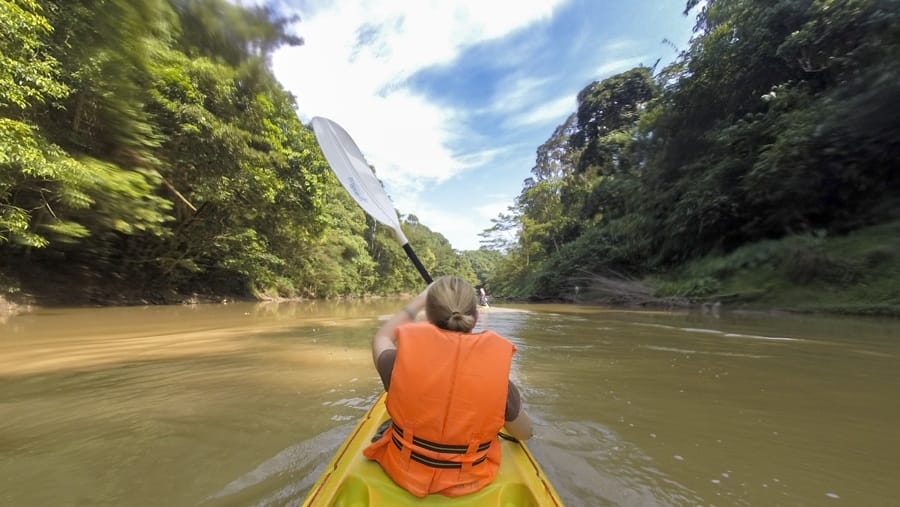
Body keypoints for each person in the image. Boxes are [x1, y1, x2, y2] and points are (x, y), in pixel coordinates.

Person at [364, 276, 533, 498]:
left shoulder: (398, 362)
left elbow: (382, 337)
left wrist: (420, 300)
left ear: (430, 319)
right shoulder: (501, 382)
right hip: (471, 479)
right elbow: (524, 433)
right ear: (473, 319)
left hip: (402, 471)